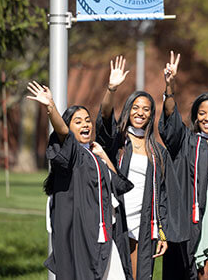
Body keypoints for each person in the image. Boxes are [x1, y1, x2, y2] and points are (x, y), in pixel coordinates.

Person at [27, 81, 134, 280]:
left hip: (104, 233)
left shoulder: (94, 154)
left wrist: (103, 156)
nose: (86, 124)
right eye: (78, 121)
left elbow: (119, 185)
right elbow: (63, 133)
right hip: (83, 232)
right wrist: (51, 107)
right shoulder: (73, 153)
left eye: (87, 120)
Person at [158, 52, 208, 280]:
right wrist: (169, 88)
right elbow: (171, 121)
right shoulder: (188, 141)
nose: (207, 118)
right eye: (202, 113)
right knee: (198, 270)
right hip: (195, 216)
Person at [96, 56, 169, 280]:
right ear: (128, 110)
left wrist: (163, 233)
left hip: (146, 221)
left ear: (151, 114)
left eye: (146, 109)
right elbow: (105, 117)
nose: (140, 112)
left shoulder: (157, 151)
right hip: (119, 218)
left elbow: (163, 193)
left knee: (141, 276)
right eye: (135, 107)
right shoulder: (117, 142)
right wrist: (111, 89)